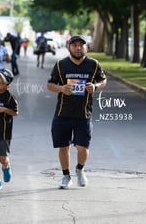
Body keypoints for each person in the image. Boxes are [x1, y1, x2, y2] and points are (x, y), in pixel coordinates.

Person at [46, 35, 107, 189]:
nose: (78, 48)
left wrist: (96, 87)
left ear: (86, 47)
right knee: (64, 147)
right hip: (62, 114)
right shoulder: (61, 65)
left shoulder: (93, 64)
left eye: (81, 45)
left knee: (83, 148)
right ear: (69, 47)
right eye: (75, 45)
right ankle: (66, 176)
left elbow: (103, 80)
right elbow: (50, 85)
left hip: (83, 114)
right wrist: (61, 88)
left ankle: (80, 169)